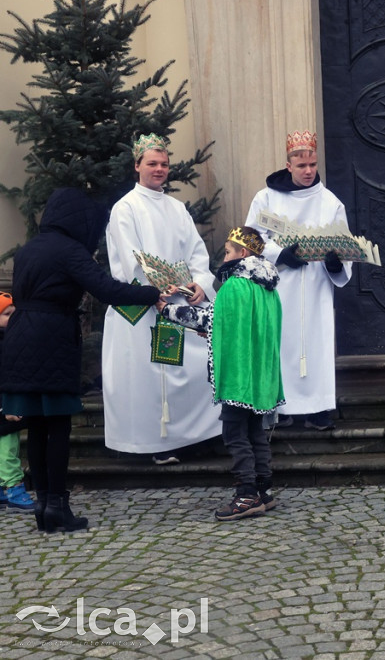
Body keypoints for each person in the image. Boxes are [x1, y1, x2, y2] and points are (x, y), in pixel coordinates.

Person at [1, 188, 161, 532]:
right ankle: (58, 506)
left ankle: (43, 504)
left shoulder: (31, 248)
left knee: (37, 427)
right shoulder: (70, 251)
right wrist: (152, 293)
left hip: (21, 338)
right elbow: (108, 290)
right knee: (58, 427)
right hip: (51, 340)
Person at [102, 133, 222, 465]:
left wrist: (200, 283)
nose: (159, 169)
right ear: (137, 165)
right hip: (145, 307)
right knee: (156, 376)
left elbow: (196, 252)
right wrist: (154, 292)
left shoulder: (176, 208)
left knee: (194, 366)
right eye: (152, 163)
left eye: (164, 164)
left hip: (180, 304)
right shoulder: (125, 208)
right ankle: (156, 443)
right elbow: (130, 260)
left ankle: (195, 437)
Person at [158, 226, 284, 521]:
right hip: (260, 373)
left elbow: (207, 319)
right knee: (255, 431)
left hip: (238, 373)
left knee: (234, 432)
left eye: (228, 251)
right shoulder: (267, 287)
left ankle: (246, 495)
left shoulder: (235, 285)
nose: (224, 256)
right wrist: (217, 332)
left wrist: (166, 310)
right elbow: (235, 325)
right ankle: (263, 490)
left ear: (242, 253)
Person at [245, 130, 352, 431]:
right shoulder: (266, 198)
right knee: (282, 342)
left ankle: (318, 408)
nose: (308, 171)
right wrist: (280, 254)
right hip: (279, 285)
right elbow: (250, 238)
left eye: (313, 165)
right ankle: (283, 406)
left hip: (316, 286)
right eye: (301, 166)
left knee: (316, 343)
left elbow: (343, 244)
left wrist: (335, 262)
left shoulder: (329, 202)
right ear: (289, 164)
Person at [0, 293, 33, 512]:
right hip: (4, 409)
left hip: (9, 406)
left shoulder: (10, 341)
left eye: (14, 313)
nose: (12, 318)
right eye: (6, 314)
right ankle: (13, 487)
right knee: (8, 451)